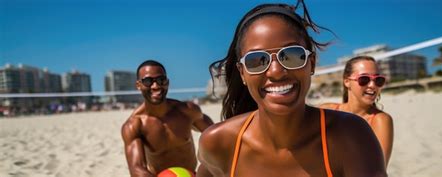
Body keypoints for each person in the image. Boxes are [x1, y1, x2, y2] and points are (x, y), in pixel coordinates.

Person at [197, 1, 387, 177]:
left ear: (311, 63)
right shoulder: (219, 143)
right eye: (256, 61)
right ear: (242, 73)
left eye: (292, 55)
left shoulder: (349, 136)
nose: (276, 72)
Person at [121, 60, 214, 177]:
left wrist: (207, 169)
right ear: (138, 85)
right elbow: (136, 169)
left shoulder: (187, 111)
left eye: (161, 80)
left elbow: (216, 139)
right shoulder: (135, 125)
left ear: (167, 82)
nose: (156, 86)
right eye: (148, 81)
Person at [319, 56, 394, 166]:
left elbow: (377, 170)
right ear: (347, 81)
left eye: (378, 80)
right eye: (364, 79)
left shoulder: (380, 120)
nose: (372, 85)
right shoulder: (326, 111)